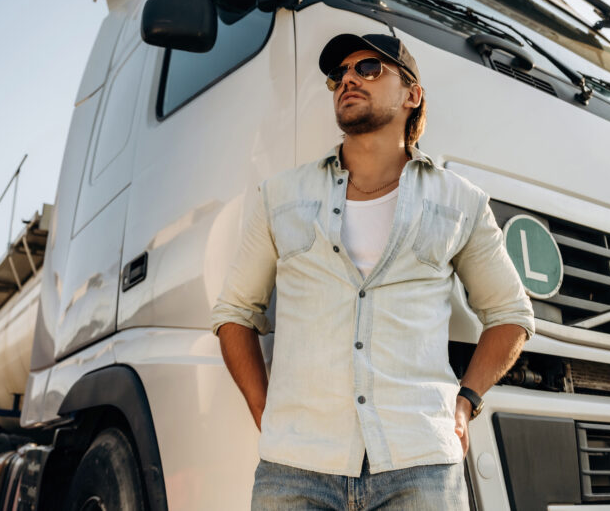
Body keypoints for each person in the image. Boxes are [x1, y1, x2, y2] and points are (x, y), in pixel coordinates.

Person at [211, 33, 535, 510]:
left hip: (420, 462)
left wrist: (466, 403)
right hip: (295, 469)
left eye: (368, 68)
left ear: (412, 94)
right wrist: (267, 413)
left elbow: (511, 315)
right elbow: (234, 313)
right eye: (339, 74)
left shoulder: (460, 201)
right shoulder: (279, 196)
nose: (348, 79)